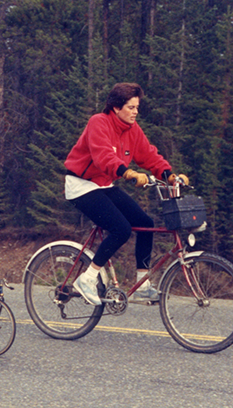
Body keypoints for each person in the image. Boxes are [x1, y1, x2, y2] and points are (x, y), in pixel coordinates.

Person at [64, 82, 188, 305]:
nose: (135, 112)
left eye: (137, 107)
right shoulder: (98, 122)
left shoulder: (132, 129)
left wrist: (169, 175)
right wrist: (128, 172)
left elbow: (149, 155)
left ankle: (142, 285)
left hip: (104, 185)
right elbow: (104, 157)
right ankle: (87, 279)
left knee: (145, 223)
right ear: (116, 108)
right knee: (121, 229)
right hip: (81, 185)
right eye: (131, 107)